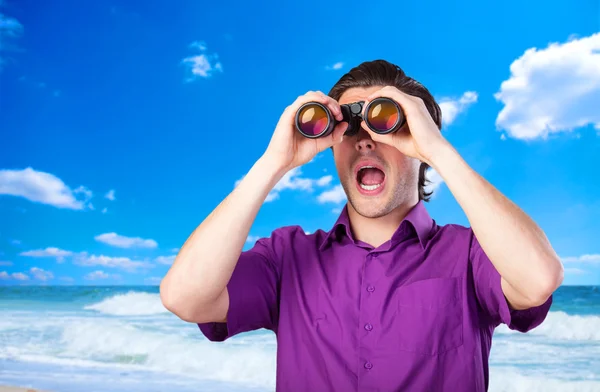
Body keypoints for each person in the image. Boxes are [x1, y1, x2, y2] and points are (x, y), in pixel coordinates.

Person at [160, 59, 564, 391]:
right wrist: (273, 163)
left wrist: (437, 150)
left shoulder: (470, 255)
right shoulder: (287, 257)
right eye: (349, 127)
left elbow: (539, 278)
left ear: (417, 141)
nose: (365, 140)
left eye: (386, 122)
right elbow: (184, 297)